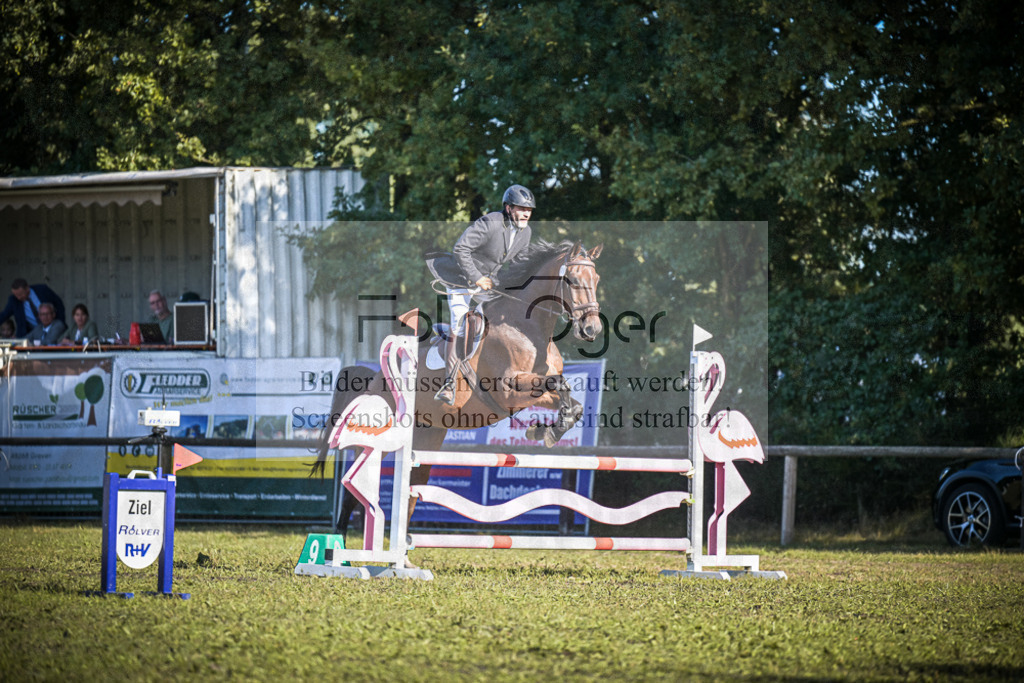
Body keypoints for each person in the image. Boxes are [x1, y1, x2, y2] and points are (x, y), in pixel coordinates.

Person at [431, 184, 536, 405]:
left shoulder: (525, 233)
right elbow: (461, 249)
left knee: (504, 318)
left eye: (529, 209)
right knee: (460, 324)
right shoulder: (490, 223)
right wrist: (477, 277)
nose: (526, 213)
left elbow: (518, 265)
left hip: (490, 283)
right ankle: (449, 383)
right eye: (521, 208)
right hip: (461, 279)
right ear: (508, 208)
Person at [0, 278, 66, 338]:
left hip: (53, 328)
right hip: (31, 333)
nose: (18, 297)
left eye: (20, 294)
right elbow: (4, 315)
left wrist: (60, 323)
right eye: (16, 295)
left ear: (27, 288)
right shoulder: (14, 300)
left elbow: (59, 304)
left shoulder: (42, 290)